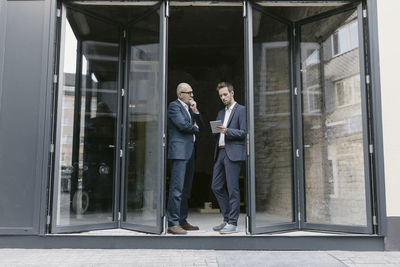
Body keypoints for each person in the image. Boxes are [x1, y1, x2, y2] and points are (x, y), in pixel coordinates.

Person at [167, 82, 205, 234]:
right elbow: (182, 125)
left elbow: (201, 126)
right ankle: (173, 222)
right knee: (176, 188)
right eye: (188, 92)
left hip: (189, 152)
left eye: (192, 92)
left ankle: (182, 220)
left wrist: (195, 110)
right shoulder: (174, 106)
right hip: (179, 153)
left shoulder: (190, 109)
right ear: (180, 94)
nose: (191, 95)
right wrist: (194, 127)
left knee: (186, 189)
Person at [211, 82, 246, 234]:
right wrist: (216, 130)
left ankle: (233, 223)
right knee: (216, 186)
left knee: (233, 189)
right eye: (220, 96)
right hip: (220, 152)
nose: (223, 97)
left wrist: (227, 131)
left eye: (225, 94)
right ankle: (226, 218)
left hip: (233, 153)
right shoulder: (220, 112)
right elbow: (217, 133)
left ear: (232, 93)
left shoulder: (242, 110)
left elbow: (244, 132)